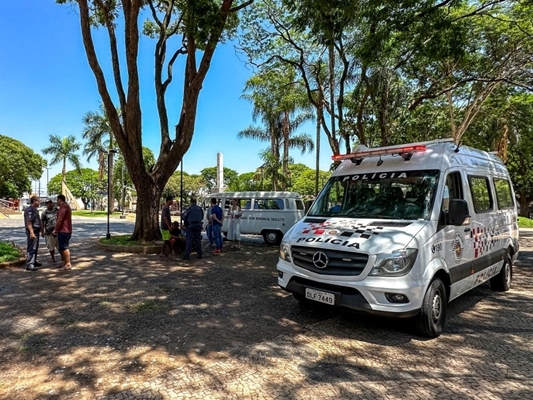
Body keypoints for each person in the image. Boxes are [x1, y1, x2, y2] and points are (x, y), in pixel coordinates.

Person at [52, 194, 73, 271]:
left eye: (57, 200)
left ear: (60, 199)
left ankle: (67, 264)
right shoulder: (64, 206)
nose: (56, 202)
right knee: (62, 247)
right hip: (64, 230)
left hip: (64, 230)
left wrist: (55, 229)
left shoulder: (63, 207)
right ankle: (65, 263)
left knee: (64, 247)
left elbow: (60, 219)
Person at [24, 195, 42, 271]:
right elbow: (29, 222)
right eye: (38, 201)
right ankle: (30, 264)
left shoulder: (35, 210)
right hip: (33, 231)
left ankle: (33, 261)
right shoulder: (30, 210)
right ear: (34, 201)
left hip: (36, 231)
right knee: (31, 247)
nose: (39, 202)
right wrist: (31, 232)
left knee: (35, 248)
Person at [41, 198, 58, 263]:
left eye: (50, 203)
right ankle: (52, 258)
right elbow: (42, 223)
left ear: (52, 203)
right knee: (51, 247)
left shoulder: (57, 210)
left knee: (59, 246)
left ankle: (63, 257)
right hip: (49, 232)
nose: (49, 204)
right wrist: (42, 232)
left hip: (57, 231)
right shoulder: (44, 213)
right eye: (47, 203)